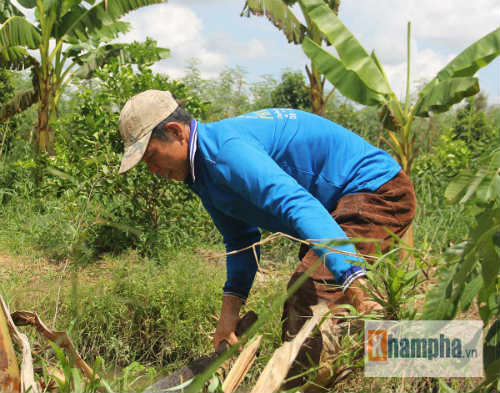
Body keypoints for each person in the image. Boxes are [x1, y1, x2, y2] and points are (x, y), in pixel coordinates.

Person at [118, 90, 416, 387]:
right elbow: (240, 241)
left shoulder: (226, 153)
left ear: (175, 132)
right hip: (334, 209)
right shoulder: (202, 174)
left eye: (152, 156)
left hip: (376, 190)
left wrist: (354, 282)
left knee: (309, 300)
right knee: (315, 310)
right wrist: (228, 318)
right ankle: (410, 358)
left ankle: (430, 357)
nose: (153, 170)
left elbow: (298, 205)